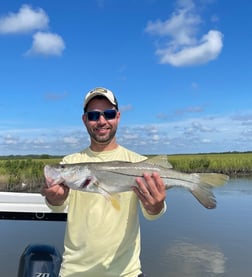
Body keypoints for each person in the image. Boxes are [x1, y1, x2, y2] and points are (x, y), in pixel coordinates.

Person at [42, 87, 167, 277]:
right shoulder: (69, 162)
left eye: (108, 114)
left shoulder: (140, 163)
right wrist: (55, 199)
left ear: (117, 116)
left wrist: (156, 206)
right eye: (93, 115)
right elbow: (58, 206)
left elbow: (152, 214)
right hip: (75, 272)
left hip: (127, 272)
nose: (101, 121)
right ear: (85, 120)